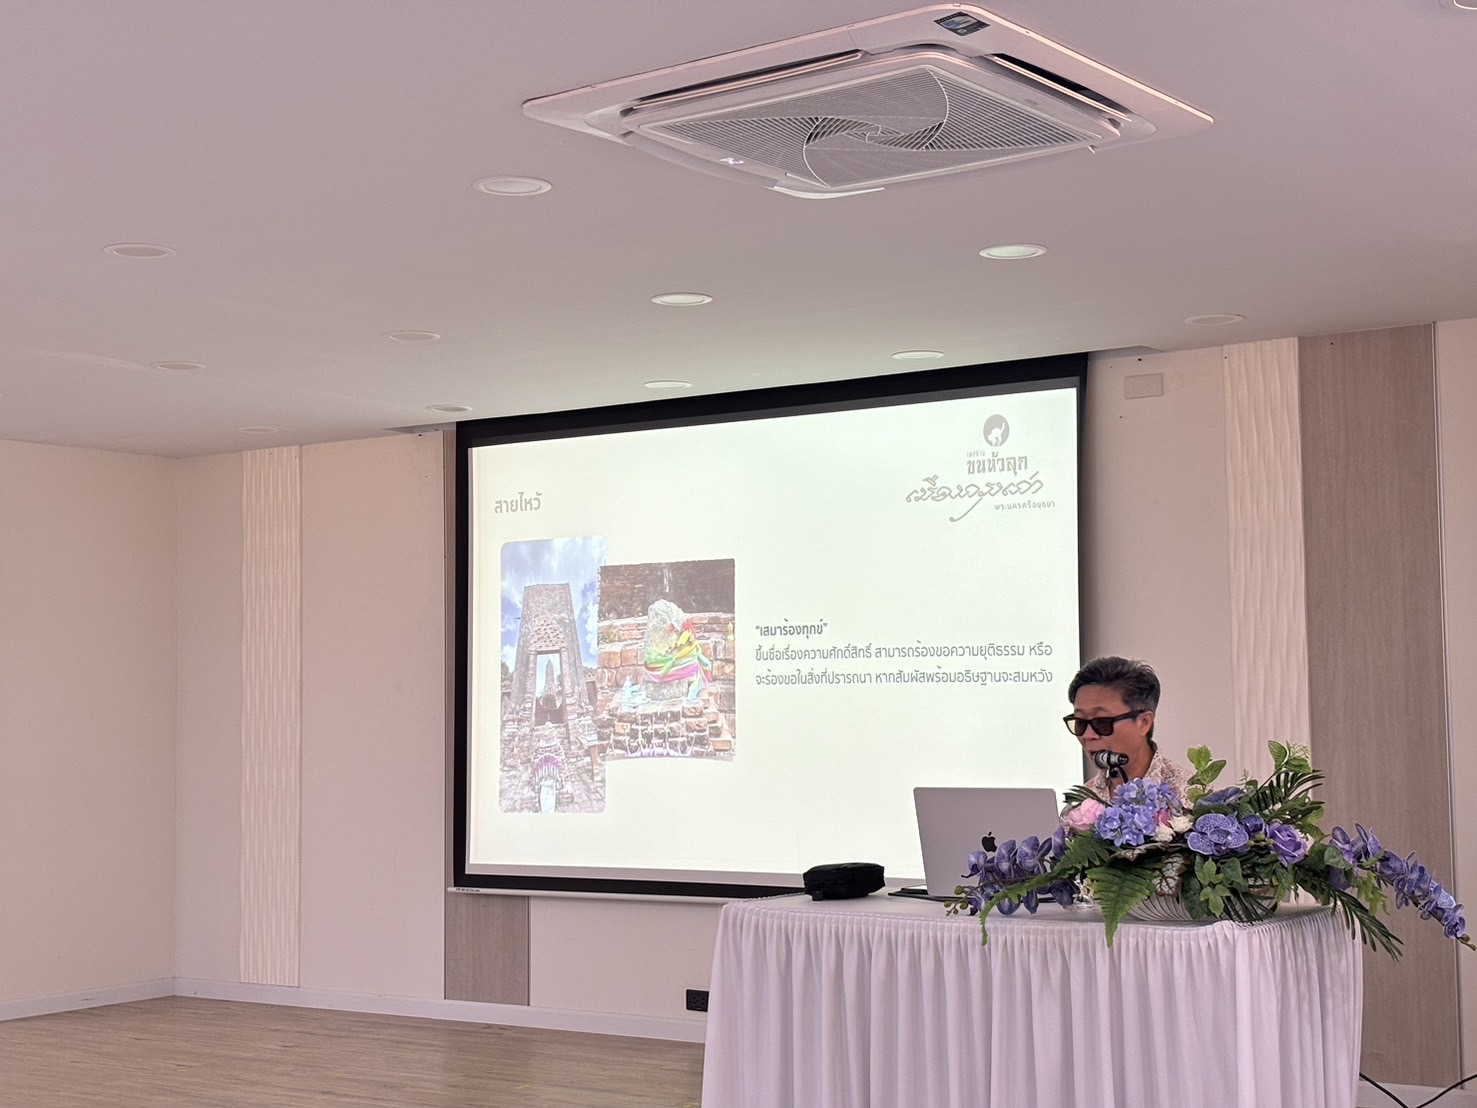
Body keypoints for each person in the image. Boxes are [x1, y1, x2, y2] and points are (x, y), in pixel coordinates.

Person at [1063, 655, 1189, 804]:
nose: (1088, 735)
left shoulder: (1190, 797)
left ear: (1144, 722)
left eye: (1102, 722)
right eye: (1080, 722)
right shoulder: (1080, 805)